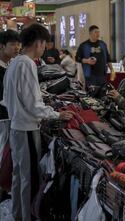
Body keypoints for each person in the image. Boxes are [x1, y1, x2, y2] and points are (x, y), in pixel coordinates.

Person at [3, 23, 74, 221]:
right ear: (38, 42)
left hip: (16, 127)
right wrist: (57, 114)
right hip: (26, 129)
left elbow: (9, 97)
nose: (44, 48)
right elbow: (33, 104)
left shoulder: (14, 63)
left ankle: (18, 215)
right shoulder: (27, 64)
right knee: (30, 179)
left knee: (20, 177)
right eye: (44, 44)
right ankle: (27, 217)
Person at [0, 29, 20, 201]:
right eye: (12, 44)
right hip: (2, 118)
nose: (17, 47)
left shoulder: (11, 65)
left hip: (9, 117)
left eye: (18, 44)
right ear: (2, 46)